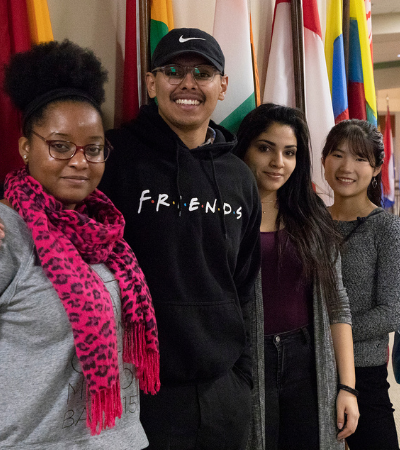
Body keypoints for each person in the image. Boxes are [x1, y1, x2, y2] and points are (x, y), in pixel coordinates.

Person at [99, 28, 261, 449]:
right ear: (152, 82)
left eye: (203, 73)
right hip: (141, 392)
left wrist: (240, 379)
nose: (188, 83)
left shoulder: (240, 177)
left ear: (223, 86)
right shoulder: (114, 158)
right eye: (173, 70)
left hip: (223, 394)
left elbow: (242, 284)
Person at [0, 40, 160, 448]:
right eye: (59, 146)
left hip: (121, 439)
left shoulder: (108, 234)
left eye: (92, 149)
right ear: (25, 147)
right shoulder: (8, 233)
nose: (79, 161)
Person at [234, 103, 359, 450]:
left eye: (289, 153)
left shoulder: (310, 212)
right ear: (244, 147)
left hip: (307, 360)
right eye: (265, 148)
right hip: (247, 361)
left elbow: (338, 303)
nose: (278, 163)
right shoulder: (225, 213)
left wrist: (346, 387)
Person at [322, 119, 400, 450]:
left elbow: (392, 310)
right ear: (324, 159)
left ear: (377, 167)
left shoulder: (387, 229)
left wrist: (328, 331)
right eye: (338, 155)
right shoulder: (309, 221)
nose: (346, 167)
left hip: (364, 374)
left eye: (360, 158)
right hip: (307, 369)